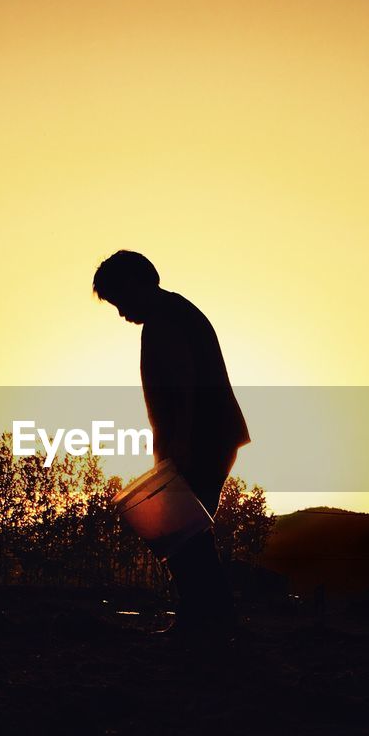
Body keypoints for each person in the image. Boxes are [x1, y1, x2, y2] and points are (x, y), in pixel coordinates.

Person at [93, 250, 249, 636]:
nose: (121, 312)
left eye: (120, 300)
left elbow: (183, 383)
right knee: (189, 535)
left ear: (138, 283)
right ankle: (205, 618)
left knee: (184, 537)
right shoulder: (175, 313)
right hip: (207, 438)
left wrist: (177, 445)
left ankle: (210, 622)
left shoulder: (166, 320)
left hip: (199, 441)